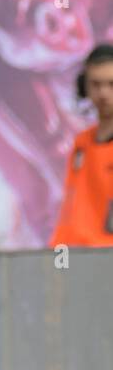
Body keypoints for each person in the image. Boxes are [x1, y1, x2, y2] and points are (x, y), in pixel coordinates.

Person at [51, 44, 113, 248]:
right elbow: (70, 212)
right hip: (80, 258)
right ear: (83, 87)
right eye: (96, 84)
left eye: (111, 84)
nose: (103, 93)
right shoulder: (81, 144)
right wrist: (58, 262)